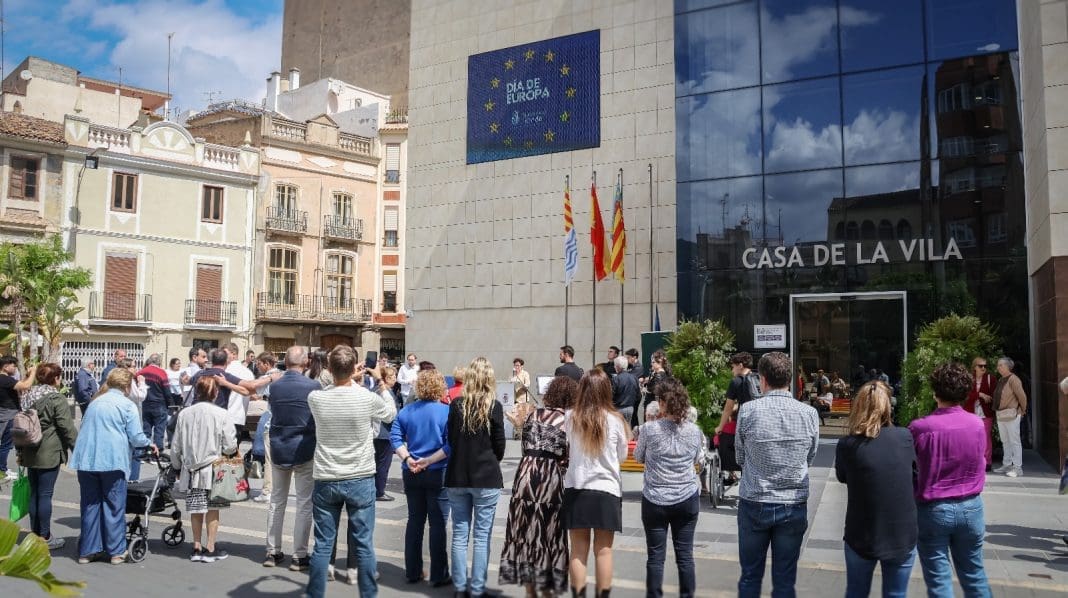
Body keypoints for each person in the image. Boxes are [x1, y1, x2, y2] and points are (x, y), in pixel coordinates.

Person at [305, 345, 396, 598]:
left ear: (329, 368)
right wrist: (379, 381)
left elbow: (329, 387)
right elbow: (390, 414)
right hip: (360, 476)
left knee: (323, 544)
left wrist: (346, 375)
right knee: (363, 543)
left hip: (326, 476)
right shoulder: (366, 397)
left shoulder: (316, 398)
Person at [414, 357, 506, 598]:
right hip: (485, 477)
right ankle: (476, 589)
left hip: (457, 475)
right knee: (481, 537)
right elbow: (500, 447)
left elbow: (452, 441)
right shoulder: (494, 406)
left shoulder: (456, 405)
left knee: (459, 534)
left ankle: (460, 588)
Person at [735, 351, 820, 598]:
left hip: (755, 499)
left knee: (750, 576)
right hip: (792, 502)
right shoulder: (808, 414)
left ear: (762, 380)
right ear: (790, 380)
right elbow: (810, 456)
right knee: (785, 579)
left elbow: (740, 456)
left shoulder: (748, 411)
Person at [909, 362, 991, 596]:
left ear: (935, 392)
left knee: (939, 580)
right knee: (975, 575)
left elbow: (910, 467)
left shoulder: (920, 428)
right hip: (971, 506)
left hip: (933, 508)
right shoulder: (976, 424)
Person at [835, 381, 917, 598]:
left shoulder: (847, 445)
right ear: (889, 406)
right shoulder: (905, 437)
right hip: (901, 533)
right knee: (896, 594)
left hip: (861, 532)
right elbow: (914, 474)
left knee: (856, 592)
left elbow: (842, 476)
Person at [500, 375, 576, 598]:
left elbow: (525, 447)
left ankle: (530, 590)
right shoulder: (568, 420)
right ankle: (547, 589)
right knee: (550, 533)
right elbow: (567, 456)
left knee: (525, 531)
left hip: (525, 474)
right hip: (549, 477)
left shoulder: (533, 414)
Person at [69, 367, 155, 565]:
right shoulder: (127, 405)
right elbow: (136, 436)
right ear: (127, 385)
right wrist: (149, 444)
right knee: (114, 505)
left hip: (87, 459)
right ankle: (116, 551)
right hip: (112, 460)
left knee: (90, 505)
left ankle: (88, 551)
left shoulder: (95, 402)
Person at [563, 368, 629, 598]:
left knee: (578, 551)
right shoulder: (616, 419)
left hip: (577, 487)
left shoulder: (570, 416)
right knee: (604, 551)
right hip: (607, 489)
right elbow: (622, 456)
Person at [634, 378, 702, 598]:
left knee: (655, 557)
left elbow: (638, 457)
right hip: (686, 496)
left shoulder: (649, 429)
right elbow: (696, 459)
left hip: (655, 497)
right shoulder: (694, 430)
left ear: (662, 403)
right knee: (685, 556)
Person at [391, 369, 452, 587]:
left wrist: (408, 459)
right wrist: (429, 460)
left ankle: (413, 571)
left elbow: (395, 437)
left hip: (411, 471)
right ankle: (439, 573)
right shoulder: (447, 411)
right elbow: (451, 444)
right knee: (438, 524)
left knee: (415, 520)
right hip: (438, 471)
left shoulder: (407, 410)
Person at [261, 346, 318, 572]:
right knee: (304, 503)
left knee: (277, 501)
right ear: (305, 362)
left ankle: (272, 551)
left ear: (285, 362)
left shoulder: (275, 386)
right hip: (304, 447)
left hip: (279, 447)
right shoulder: (313, 386)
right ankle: (299, 556)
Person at [171, 376, 239, 563]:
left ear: (197, 392)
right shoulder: (222, 414)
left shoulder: (184, 414)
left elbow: (176, 445)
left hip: (191, 469)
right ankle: (210, 547)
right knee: (213, 508)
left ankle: (196, 546)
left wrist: (176, 466)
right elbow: (230, 446)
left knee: (196, 508)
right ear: (215, 392)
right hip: (214, 468)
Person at [15, 363, 78, 550]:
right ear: (56, 378)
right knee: (44, 494)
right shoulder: (55, 398)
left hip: (29, 449)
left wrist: (19, 451)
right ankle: (45, 536)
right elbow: (66, 428)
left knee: (35, 493)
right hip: (48, 451)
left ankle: (35, 534)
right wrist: (78, 449)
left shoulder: (29, 394)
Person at [715, 352, 760, 476]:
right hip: (761, 422)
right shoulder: (759, 378)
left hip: (745, 423)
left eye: (733, 367)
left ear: (740, 365)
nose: (732, 370)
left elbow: (728, 408)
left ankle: (736, 474)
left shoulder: (736, 382)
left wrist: (720, 427)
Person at [186, 348, 251, 433]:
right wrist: (226, 383)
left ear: (212, 361)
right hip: (217, 420)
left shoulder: (199, 374)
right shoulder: (224, 376)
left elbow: (187, 381)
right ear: (226, 362)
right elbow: (246, 391)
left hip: (197, 417)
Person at [992, 357, 1027, 477]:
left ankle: (1018, 468)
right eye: (998, 365)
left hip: (1012, 414)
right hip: (1001, 414)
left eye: (1000, 365)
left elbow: (1022, 397)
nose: (998, 367)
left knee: (1014, 441)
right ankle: (1007, 464)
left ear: (1008, 366)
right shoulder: (1001, 379)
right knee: (1005, 441)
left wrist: (1022, 411)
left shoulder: (1014, 379)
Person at [0, 357, 34, 480]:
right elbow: (25, 386)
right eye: (13, 365)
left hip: (6, 413)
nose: (15, 368)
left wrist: (27, 375)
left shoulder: (6, 380)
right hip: (8, 415)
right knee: (6, 444)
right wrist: (34, 372)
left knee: (6, 443)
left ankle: (2, 468)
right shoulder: (5, 379)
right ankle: (2, 470)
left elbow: (19, 385)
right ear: (5, 367)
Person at [373, 366, 401, 502]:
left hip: (379, 432)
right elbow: (391, 414)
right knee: (383, 464)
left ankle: (376, 489)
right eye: (391, 377)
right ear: (384, 379)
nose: (394, 379)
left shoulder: (377, 391)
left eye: (395, 376)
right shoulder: (386, 393)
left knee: (378, 463)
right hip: (384, 432)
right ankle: (379, 491)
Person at [964, 357, 996, 472]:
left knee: (986, 438)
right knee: (971, 438)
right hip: (970, 414)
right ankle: (972, 461)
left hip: (986, 413)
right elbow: (965, 396)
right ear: (974, 367)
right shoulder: (968, 379)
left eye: (985, 366)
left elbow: (994, 396)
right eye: (980, 366)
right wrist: (980, 394)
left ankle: (987, 462)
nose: (983, 368)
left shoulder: (990, 379)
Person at [134, 354, 171, 453]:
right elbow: (166, 390)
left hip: (145, 404)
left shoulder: (141, 372)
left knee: (146, 429)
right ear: (159, 362)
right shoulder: (161, 372)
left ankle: (145, 450)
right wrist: (169, 404)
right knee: (159, 429)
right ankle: (157, 452)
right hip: (159, 404)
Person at [610, 356, 640, 424]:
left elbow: (612, 395)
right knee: (627, 427)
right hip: (630, 408)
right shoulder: (634, 377)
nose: (614, 367)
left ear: (618, 366)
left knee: (619, 427)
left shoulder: (616, 379)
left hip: (618, 408)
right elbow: (638, 395)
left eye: (615, 365)